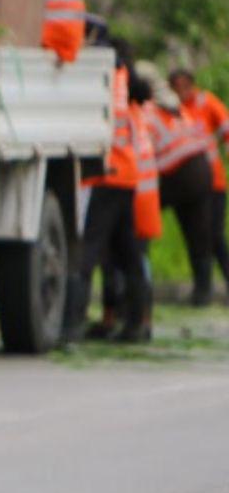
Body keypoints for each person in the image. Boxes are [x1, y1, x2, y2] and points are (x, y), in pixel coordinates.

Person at [64, 38, 146, 342]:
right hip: (126, 175)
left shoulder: (101, 79)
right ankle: (137, 324)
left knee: (87, 252)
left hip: (105, 175)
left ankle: (71, 324)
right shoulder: (124, 78)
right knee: (130, 256)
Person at [93, 71, 163, 341]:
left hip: (134, 195)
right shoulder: (141, 114)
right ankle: (137, 320)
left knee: (127, 262)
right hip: (143, 194)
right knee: (134, 262)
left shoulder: (130, 117)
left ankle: (136, 320)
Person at [140, 64, 215, 305]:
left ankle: (139, 283)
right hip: (200, 169)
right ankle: (203, 291)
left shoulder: (147, 110)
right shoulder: (175, 107)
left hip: (177, 171)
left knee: (139, 227)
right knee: (198, 232)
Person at [170, 68, 229, 295]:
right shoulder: (173, 110)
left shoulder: (206, 103)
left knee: (214, 235)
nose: (182, 92)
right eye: (177, 87)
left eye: (185, 86)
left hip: (213, 183)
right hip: (186, 187)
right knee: (196, 237)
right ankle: (202, 289)